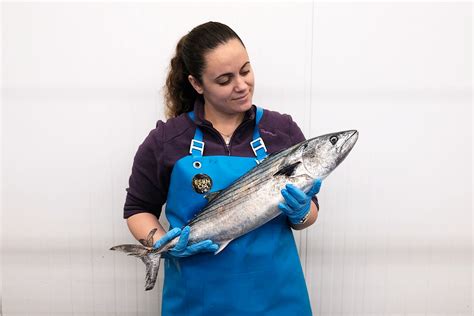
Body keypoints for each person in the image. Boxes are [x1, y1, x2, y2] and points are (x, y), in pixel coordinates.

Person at [123, 21, 322, 315]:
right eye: (225, 79)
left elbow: (308, 215)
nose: (242, 86)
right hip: (198, 300)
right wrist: (159, 242)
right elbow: (138, 209)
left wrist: (302, 211)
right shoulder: (167, 140)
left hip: (276, 298)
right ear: (196, 84)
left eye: (245, 70)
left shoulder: (282, 131)